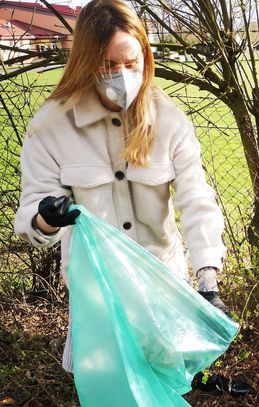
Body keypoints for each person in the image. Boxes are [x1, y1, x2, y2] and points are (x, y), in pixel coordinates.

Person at [14, 0, 230, 375]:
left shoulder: (168, 120)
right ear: (84, 62)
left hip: (164, 289)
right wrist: (47, 219)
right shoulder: (52, 128)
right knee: (112, 391)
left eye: (131, 64)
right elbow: (32, 218)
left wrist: (207, 279)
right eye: (108, 66)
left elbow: (197, 199)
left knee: (167, 387)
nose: (122, 76)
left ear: (145, 56)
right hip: (100, 300)